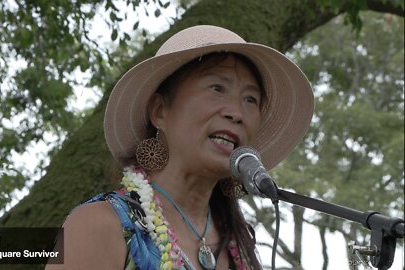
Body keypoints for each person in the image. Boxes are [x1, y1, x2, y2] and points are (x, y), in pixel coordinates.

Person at [46, 25, 314, 270]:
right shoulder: (99, 224)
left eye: (251, 99)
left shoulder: (242, 248)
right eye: (217, 88)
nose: (237, 112)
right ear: (160, 111)